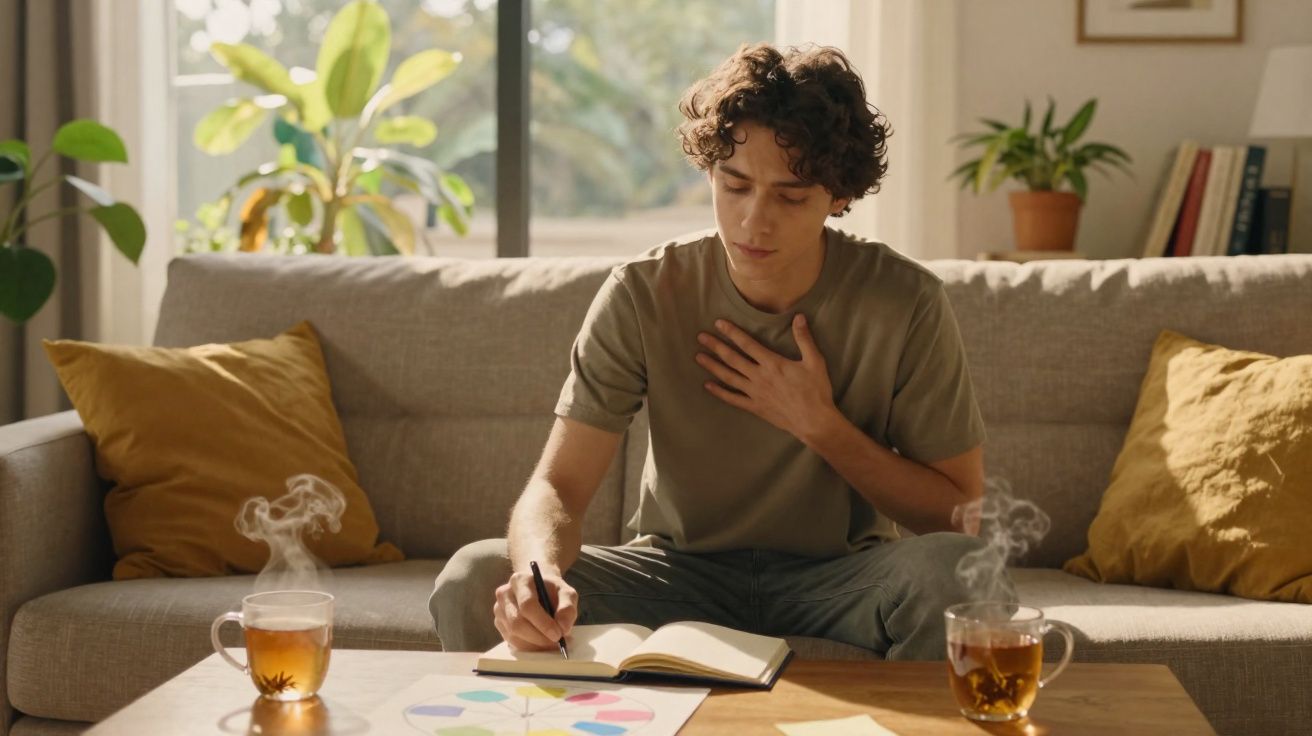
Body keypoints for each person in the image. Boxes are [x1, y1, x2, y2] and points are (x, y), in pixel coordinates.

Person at [430, 42, 1009, 661]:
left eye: (790, 197)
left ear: (839, 196)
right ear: (710, 171)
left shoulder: (904, 300)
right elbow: (560, 486)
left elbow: (957, 519)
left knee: (960, 571)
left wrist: (821, 426)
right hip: (674, 574)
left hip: (842, 580)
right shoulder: (643, 293)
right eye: (735, 185)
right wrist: (537, 574)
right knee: (475, 576)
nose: (754, 222)